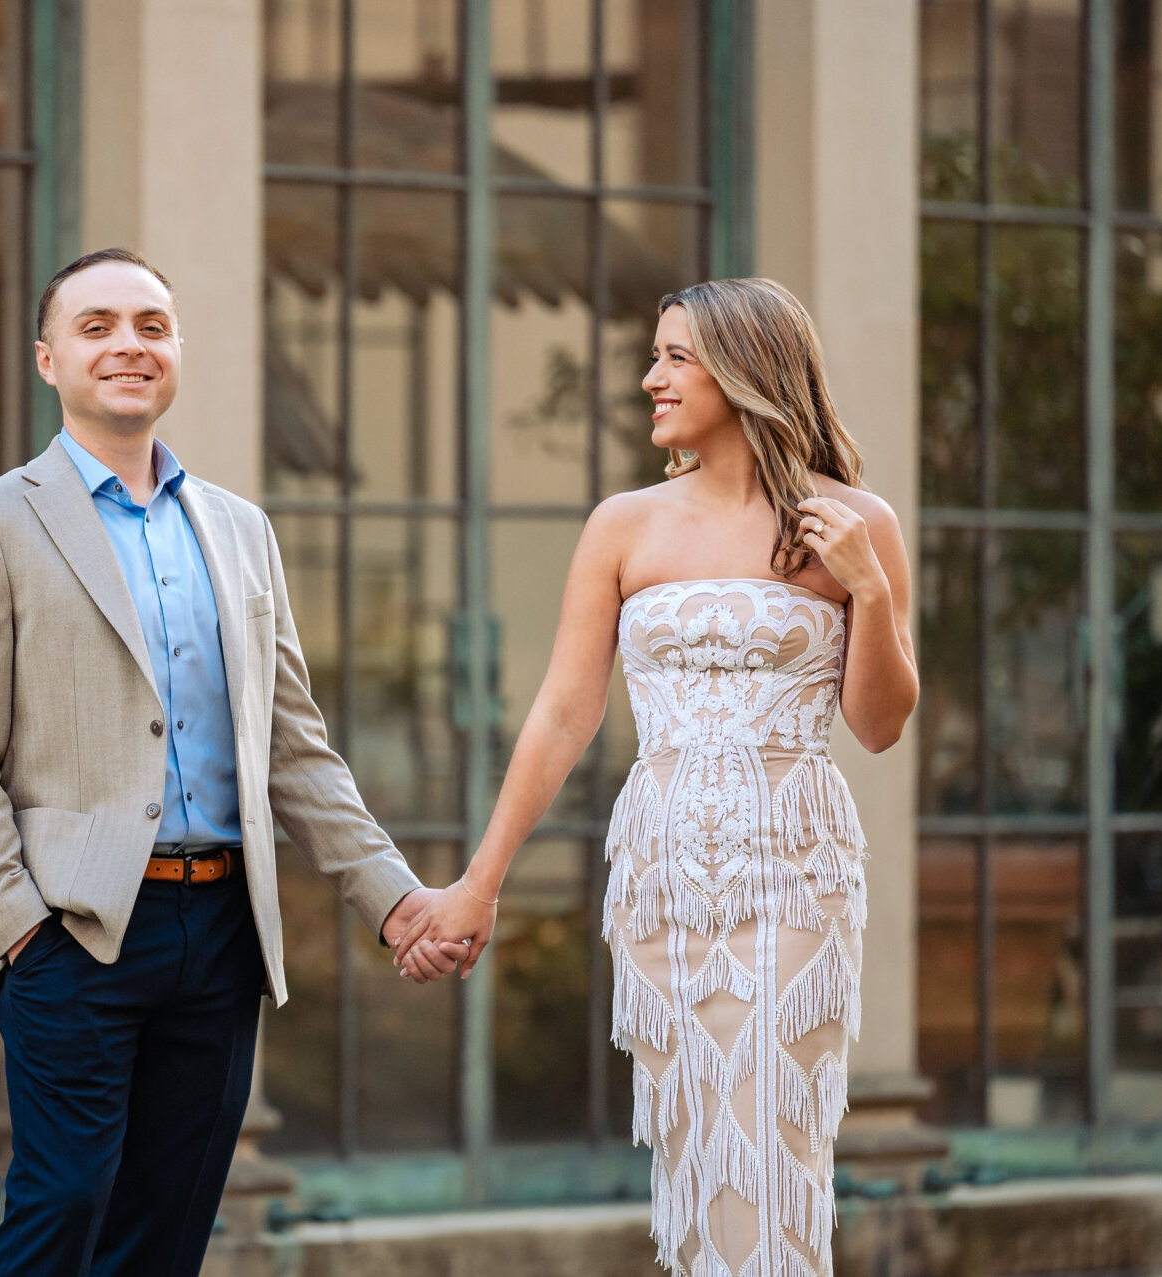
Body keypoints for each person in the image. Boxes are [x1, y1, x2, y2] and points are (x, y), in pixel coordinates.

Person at [0, 247, 465, 1277]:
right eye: (98, 326)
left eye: (151, 325)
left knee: (166, 1230)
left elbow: (293, 747)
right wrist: (20, 928)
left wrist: (392, 899)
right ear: (47, 359)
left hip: (219, 934)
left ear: (176, 352)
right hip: (74, 932)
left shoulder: (241, 530)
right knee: (62, 1206)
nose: (129, 344)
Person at [397, 277, 918, 1276]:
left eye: (676, 356)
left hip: (794, 873)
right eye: (657, 354)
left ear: (746, 366)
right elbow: (562, 711)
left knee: (769, 1146)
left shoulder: (856, 523)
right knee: (694, 1150)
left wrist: (870, 586)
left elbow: (882, 723)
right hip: (663, 874)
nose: (651, 379)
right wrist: (479, 881)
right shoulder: (623, 525)